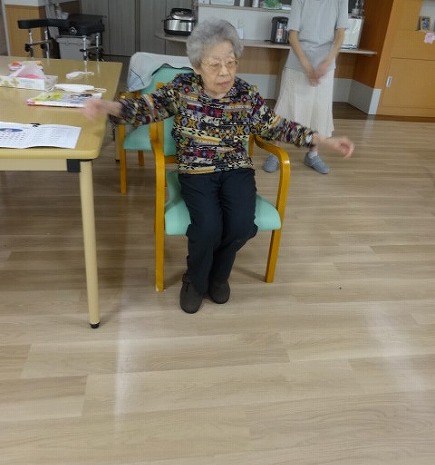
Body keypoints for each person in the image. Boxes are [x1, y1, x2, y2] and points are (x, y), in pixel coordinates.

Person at [83, 18, 354, 314]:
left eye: (231, 62)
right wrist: (107, 106)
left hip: (237, 168)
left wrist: (323, 140)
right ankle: (195, 280)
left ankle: (219, 275)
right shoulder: (182, 88)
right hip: (197, 170)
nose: (225, 72)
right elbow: (144, 108)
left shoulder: (246, 94)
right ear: (197, 66)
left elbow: (277, 126)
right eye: (215, 65)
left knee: (242, 226)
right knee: (208, 228)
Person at [263, 0, 349, 174]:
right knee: (286, 109)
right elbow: (292, 35)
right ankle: (275, 153)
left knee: (319, 110)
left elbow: (340, 34)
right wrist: (307, 66)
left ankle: (313, 155)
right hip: (298, 62)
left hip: (325, 66)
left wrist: (328, 61)